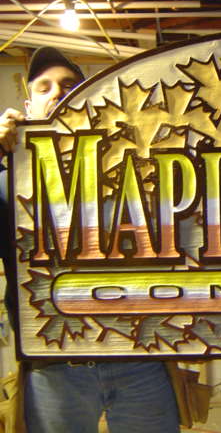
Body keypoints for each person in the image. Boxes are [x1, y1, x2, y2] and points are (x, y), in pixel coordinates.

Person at [0, 47, 181, 433]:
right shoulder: (6, 184)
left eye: (70, 86)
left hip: (140, 357)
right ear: (28, 107)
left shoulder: (137, 170)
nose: (58, 92)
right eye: (44, 87)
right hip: (55, 368)